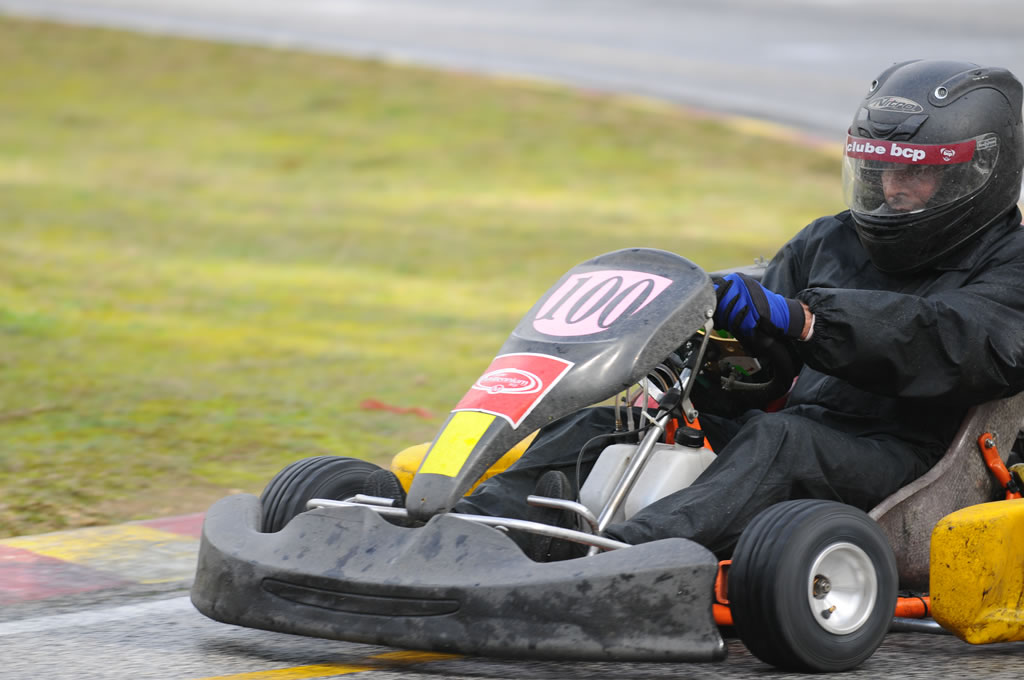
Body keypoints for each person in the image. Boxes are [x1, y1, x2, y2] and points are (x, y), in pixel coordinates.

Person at [378, 59, 1024, 561]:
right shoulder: (832, 238)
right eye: (878, 168)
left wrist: (804, 320)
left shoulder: (1011, 263)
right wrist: (710, 335)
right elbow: (765, 336)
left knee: (783, 440)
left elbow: (959, 343)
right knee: (609, 427)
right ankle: (468, 535)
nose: (891, 189)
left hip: (913, 465)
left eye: (918, 174)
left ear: (980, 174)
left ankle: (620, 559)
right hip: (790, 433)